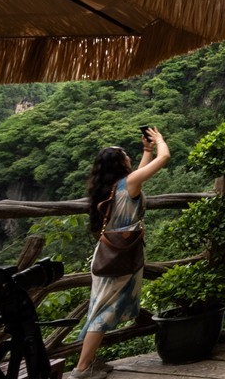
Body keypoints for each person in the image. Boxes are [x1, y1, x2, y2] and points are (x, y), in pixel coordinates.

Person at [67, 128, 169, 379]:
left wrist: (146, 150)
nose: (128, 157)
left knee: (99, 308)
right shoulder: (128, 184)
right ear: (119, 162)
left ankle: (88, 363)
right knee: (103, 312)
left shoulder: (109, 187)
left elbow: (138, 177)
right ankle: (82, 369)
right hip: (119, 258)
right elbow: (164, 158)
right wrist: (159, 141)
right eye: (125, 155)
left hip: (108, 254)